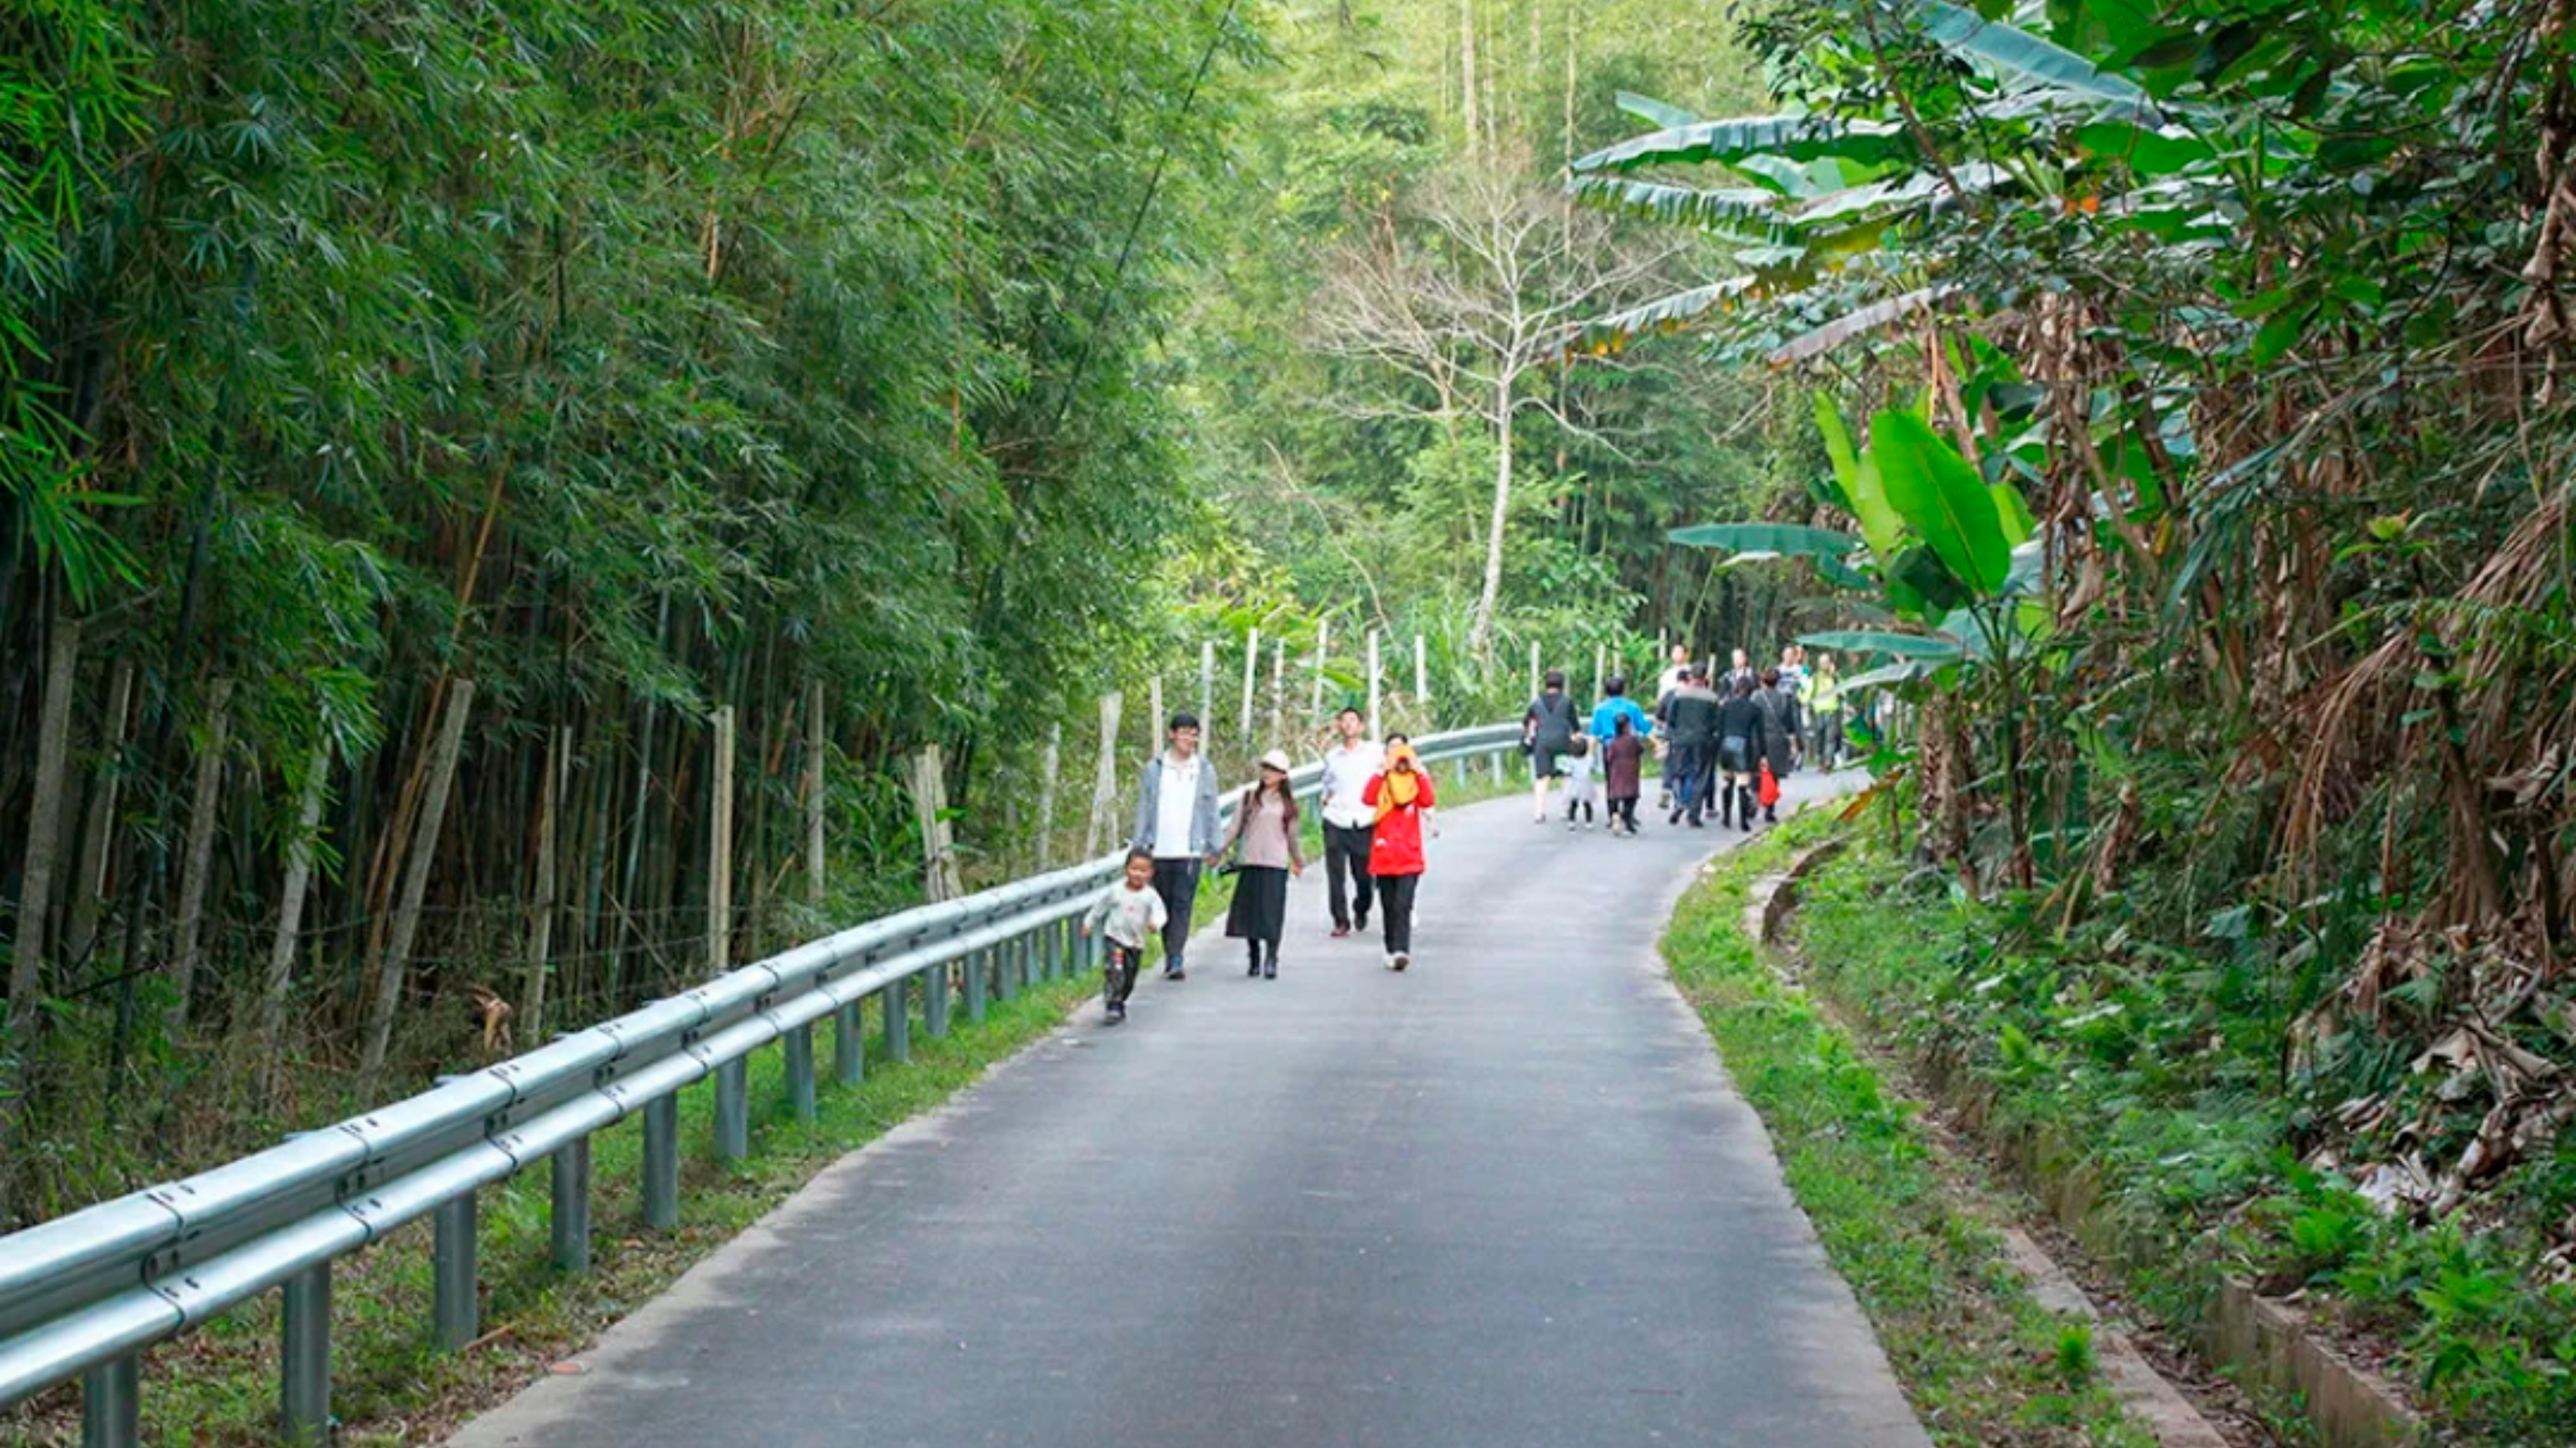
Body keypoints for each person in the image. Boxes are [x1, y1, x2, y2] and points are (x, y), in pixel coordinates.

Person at [1130, 710, 1220, 980]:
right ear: (1172, 735)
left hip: (1190, 849)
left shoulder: (1203, 769)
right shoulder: (1155, 769)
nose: (1188, 739)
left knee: (1183, 903)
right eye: (1184, 733)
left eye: (1193, 734)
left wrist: (1214, 846)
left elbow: (1211, 809)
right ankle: (1171, 949)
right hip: (1159, 849)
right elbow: (1144, 808)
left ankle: (1176, 956)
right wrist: (1139, 847)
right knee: (1164, 904)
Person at [1221, 750, 1305, 979]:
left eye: (1274, 770)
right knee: (1251, 913)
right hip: (1252, 861)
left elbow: (1292, 837)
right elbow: (1234, 828)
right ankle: (1254, 956)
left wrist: (1298, 861)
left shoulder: (1288, 804)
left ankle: (1272, 958)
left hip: (1275, 864)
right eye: (1266, 768)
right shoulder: (1249, 797)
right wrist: (1220, 849)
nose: (1268, 773)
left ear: (1283, 775)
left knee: (1272, 914)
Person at [1362, 740, 1435, 971]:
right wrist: (1379, 772)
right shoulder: (1383, 783)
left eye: (1406, 762)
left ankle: (1402, 950)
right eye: (1398, 762)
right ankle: (1391, 948)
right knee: (1388, 905)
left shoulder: (1415, 784)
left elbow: (1428, 800)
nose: (1402, 767)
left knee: (1403, 904)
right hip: (1385, 855)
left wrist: (1421, 773)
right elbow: (1367, 798)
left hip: (1409, 857)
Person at [1080, 848, 1167, 1025]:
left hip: (1135, 943)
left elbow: (1161, 913)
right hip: (1115, 938)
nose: (1138, 874)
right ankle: (1113, 1004)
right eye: (1134, 869)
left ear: (1150, 873)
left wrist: (1155, 924)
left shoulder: (1150, 896)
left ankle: (1120, 998)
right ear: (1126, 869)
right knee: (1116, 970)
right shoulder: (1116, 891)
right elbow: (1100, 908)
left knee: (1129, 978)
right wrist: (1088, 923)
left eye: (1143, 871)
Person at [1316, 706, 1382, 940]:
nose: (1348, 725)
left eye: (1353, 720)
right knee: (1335, 875)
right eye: (1344, 721)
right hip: (1336, 818)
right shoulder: (1332, 757)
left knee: (1365, 876)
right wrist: (1325, 801)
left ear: (1361, 726)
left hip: (1364, 820)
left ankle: (1361, 907)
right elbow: (1327, 785)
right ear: (1339, 726)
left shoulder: (1375, 752)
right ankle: (1340, 920)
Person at [1659, 664, 1724, 827]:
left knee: (1678, 773)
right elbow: (1717, 723)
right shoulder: (1712, 698)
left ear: (1690, 676)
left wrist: (1673, 735)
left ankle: (1680, 801)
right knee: (1700, 777)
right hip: (1703, 741)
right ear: (1706, 677)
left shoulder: (1679, 695)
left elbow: (1670, 718)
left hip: (1680, 740)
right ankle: (1693, 815)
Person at [1713, 673, 1775, 832]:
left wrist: (1717, 750)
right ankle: (1743, 821)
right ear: (1751, 691)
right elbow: (1760, 735)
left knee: (1728, 781)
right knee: (1743, 784)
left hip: (1727, 745)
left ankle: (1726, 818)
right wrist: (1763, 755)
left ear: (1735, 689)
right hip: (1743, 746)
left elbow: (1718, 730)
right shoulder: (1755, 709)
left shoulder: (1725, 706)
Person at [1522, 668, 1584, 824]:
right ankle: (1565, 810)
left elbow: (1527, 723)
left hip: (1542, 743)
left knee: (1542, 778)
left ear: (1546, 684)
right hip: (1562, 742)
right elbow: (1575, 726)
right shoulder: (1567, 701)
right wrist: (1579, 742)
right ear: (1562, 684)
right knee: (1564, 776)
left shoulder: (1536, 703)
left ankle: (1539, 812)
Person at [1753, 667, 1802, 824]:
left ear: (1762, 681)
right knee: (1773, 775)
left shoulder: (1756, 697)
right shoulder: (1784, 699)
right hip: (1778, 740)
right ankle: (1770, 808)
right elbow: (1790, 724)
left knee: (1757, 772)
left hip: (1759, 738)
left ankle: (1755, 798)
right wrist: (1794, 744)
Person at [1605, 713, 1647, 837]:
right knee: (1631, 798)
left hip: (1617, 771)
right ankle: (1626, 820)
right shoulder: (1632, 740)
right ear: (1627, 726)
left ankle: (1616, 815)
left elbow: (1609, 757)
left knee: (1616, 795)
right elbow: (1640, 750)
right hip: (1631, 770)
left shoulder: (1613, 742)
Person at [1805, 654, 1843, 767]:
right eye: (1822, 663)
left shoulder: (1836, 677)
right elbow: (1807, 693)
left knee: (1830, 737)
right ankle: (1821, 758)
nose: (1824, 665)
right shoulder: (1815, 678)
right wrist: (1806, 702)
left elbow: (1844, 690)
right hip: (1818, 712)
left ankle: (1828, 760)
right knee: (1820, 737)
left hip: (1832, 710)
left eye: (1826, 663)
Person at [1560, 734, 1600, 830]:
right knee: (1587, 804)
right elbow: (1593, 769)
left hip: (1574, 785)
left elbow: (1568, 771)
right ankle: (1589, 822)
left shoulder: (1571, 760)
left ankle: (1571, 822)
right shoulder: (1589, 758)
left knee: (1573, 804)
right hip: (1586, 784)